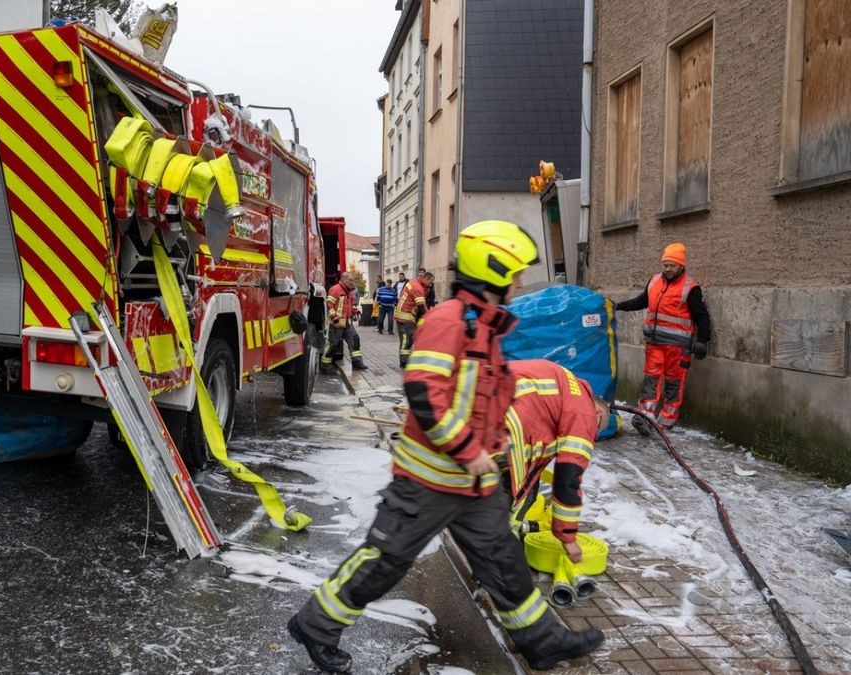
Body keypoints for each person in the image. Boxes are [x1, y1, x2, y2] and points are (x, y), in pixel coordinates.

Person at [287, 221, 602, 673]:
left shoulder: (485, 330)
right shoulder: (447, 321)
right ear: (490, 273)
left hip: (476, 485)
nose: (516, 283)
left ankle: (544, 642)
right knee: (386, 562)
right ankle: (316, 625)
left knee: (505, 563)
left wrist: (487, 458)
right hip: (427, 483)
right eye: (511, 274)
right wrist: (468, 450)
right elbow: (423, 391)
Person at [502, 360, 611, 565]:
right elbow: (568, 475)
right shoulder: (583, 411)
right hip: (507, 427)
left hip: (478, 404)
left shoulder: (564, 385)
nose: (592, 436)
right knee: (509, 500)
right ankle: (501, 567)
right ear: (598, 413)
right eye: (596, 429)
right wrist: (568, 537)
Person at [613, 243, 712, 434]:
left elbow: (703, 316)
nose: (667, 269)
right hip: (655, 343)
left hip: (678, 347)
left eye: (671, 265)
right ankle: (645, 416)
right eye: (665, 265)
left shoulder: (690, 288)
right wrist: (618, 306)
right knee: (651, 379)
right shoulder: (654, 281)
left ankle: (667, 420)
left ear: (681, 266)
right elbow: (641, 301)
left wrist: (702, 340)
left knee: (674, 382)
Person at [322, 271, 367, 373]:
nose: (352, 282)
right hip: (337, 324)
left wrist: (355, 310)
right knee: (333, 344)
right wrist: (335, 319)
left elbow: (348, 306)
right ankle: (325, 365)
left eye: (353, 280)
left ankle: (357, 363)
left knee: (355, 340)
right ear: (344, 279)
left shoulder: (349, 291)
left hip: (347, 324)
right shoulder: (335, 289)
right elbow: (329, 306)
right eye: (350, 280)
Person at [393, 271, 432, 367]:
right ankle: (404, 362)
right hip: (405, 316)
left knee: (407, 338)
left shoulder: (413, 282)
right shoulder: (418, 288)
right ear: (426, 279)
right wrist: (429, 317)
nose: (431, 285)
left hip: (402, 313)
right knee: (407, 339)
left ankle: (406, 359)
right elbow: (421, 307)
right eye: (430, 282)